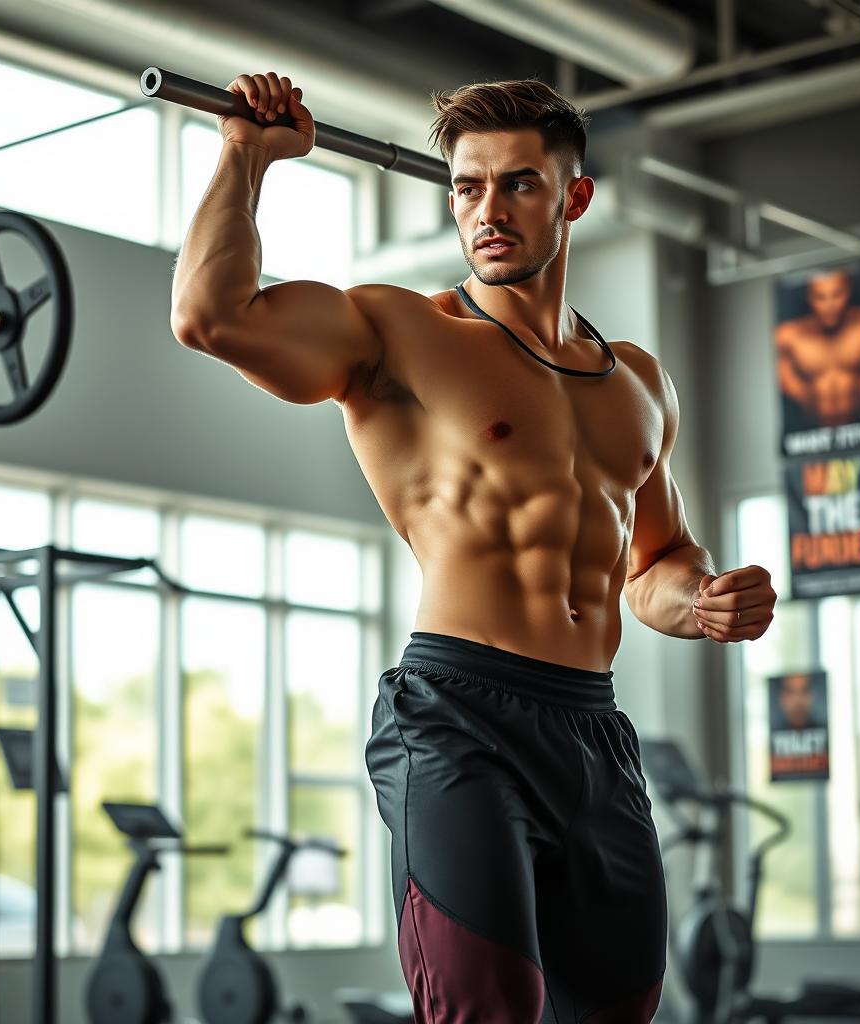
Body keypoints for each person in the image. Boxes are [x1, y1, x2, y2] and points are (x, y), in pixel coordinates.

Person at [170, 72, 778, 1024]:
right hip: (458, 714)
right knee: (489, 1005)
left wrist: (701, 602)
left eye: (518, 185)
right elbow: (211, 316)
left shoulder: (639, 382)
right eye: (466, 186)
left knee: (620, 1005)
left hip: (591, 727)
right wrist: (245, 157)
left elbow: (655, 564)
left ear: (572, 197)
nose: (486, 210)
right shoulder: (399, 332)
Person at [776, 269, 860, 427]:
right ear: (810, 298)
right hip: (811, 433)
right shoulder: (788, 336)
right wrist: (805, 397)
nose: (830, 305)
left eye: (836, 295)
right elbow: (786, 381)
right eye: (821, 297)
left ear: (848, 292)